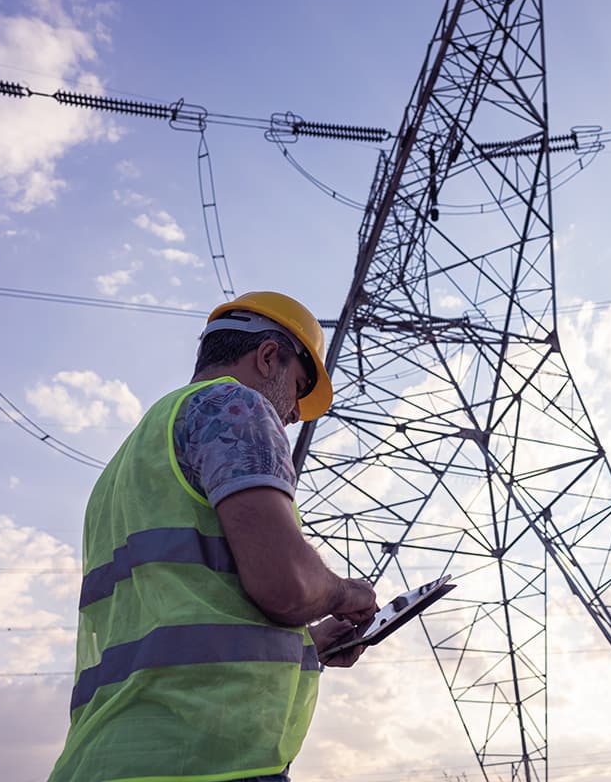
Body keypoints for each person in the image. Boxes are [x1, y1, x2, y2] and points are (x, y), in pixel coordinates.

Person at [48, 291, 378, 782]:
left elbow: (180, 614)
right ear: (268, 357)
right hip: (205, 759)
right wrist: (346, 593)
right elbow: (286, 586)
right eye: (298, 385)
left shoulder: (130, 460)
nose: (294, 414)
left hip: (112, 755)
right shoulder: (234, 406)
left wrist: (307, 645)